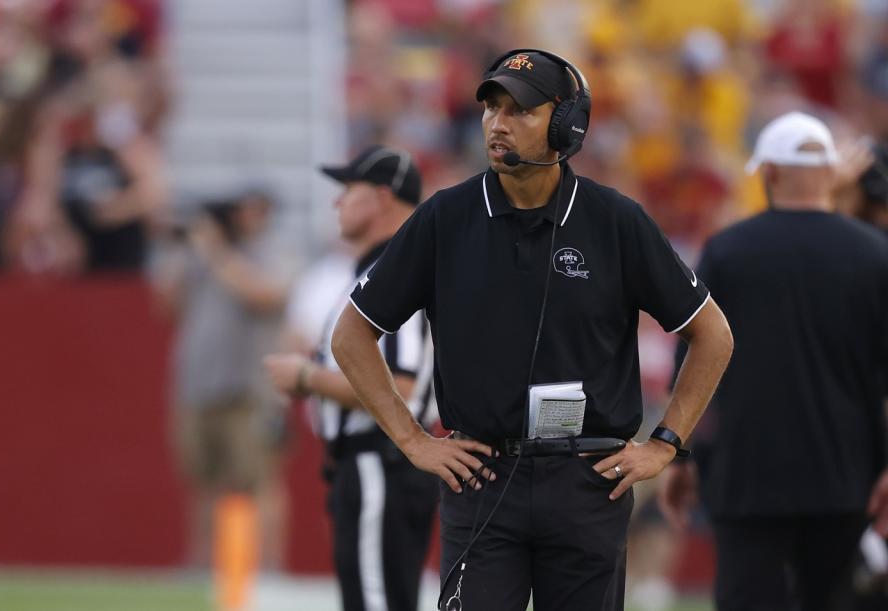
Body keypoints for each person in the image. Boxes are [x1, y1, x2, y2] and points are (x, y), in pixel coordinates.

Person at [330, 49, 734, 611]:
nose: (498, 122)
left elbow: (713, 334)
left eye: (519, 110)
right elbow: (351, 334)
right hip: (481, 478)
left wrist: (665, 444)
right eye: (491, 107)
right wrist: (412, 441)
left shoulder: (615, 221)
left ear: (567, 125)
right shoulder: (445, 218)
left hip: (588, 479)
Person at [659, 111, 888, 611]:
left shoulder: (727, 251)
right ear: (830, 172)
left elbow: (693, 364)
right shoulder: (875, 255)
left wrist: (679, 454)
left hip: (747, 479)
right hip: (846, 479)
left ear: (769, 173)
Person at [264, 145, 439, 611]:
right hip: (369, 463)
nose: (336, 202)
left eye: (348, 190)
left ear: (382, 197)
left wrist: (306, 377)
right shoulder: (373, 271)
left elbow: (400, 387)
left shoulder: (396, 272)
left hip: (380, 461)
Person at [151, 190, 289, 611]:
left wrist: (214, 249)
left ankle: (267, 567)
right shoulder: (201, 257)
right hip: (197, 386)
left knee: (257, 480)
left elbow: (265, 294)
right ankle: (201, 564)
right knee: (203, 480)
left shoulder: (269, 253)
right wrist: (178, 249)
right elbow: (166, 305)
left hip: (246, 389)